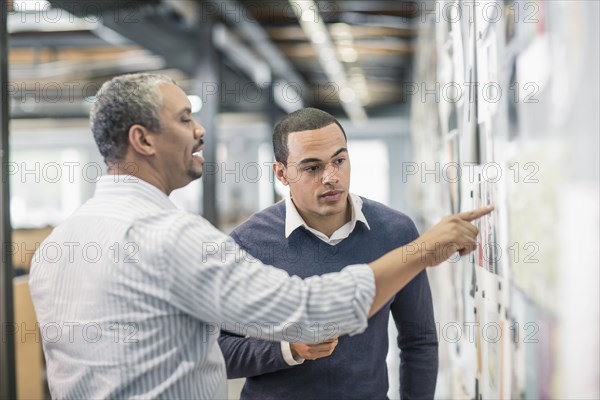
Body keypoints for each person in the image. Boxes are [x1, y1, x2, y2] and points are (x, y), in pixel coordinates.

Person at [28, 73, 492, 399]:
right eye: (185, 117)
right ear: (143, 141)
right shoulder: (178, 237)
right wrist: (422, 250)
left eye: (339, 160)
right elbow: (311, 311)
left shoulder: (57, 247)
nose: (201, 129)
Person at [218, 108, 437, 399]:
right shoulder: (247, 242)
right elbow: (213, 351)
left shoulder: (395, 231)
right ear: (281, 173)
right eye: (312, 168)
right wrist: (288, 349)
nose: (331, 177)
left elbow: (418, 339)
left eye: (339, 160)